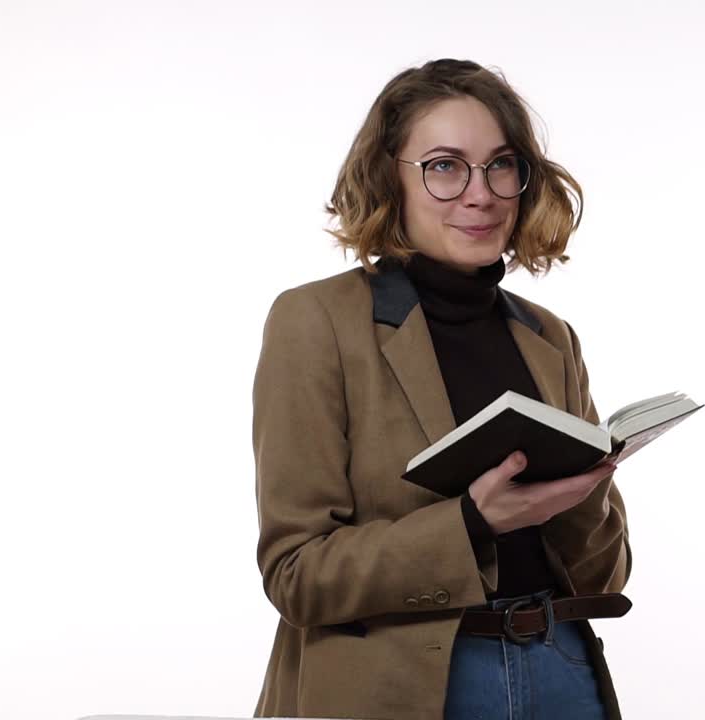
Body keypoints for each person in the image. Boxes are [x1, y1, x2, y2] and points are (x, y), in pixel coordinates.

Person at [251, 58, 632, 720]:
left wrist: (583, 493)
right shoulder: (315, 322)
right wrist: (470, 522)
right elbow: (296, 575)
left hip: (561, 669)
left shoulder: (550, 337)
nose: (479, 194)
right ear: (388, 178)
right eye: (445, 166)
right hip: (406, 688)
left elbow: (605, 576)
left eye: (500, 164)